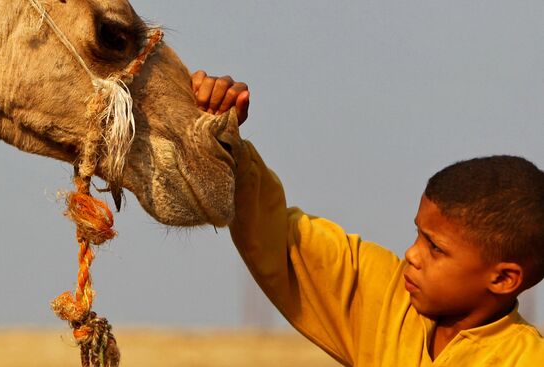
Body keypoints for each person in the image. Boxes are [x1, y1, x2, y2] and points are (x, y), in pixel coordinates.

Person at [192, 70, 544, 366]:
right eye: (419, 235)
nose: (412, 254)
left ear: (503, 279)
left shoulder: (525, 359)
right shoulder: (388, 303)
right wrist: (221, 139)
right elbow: (281, 239)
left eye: (436, 248)